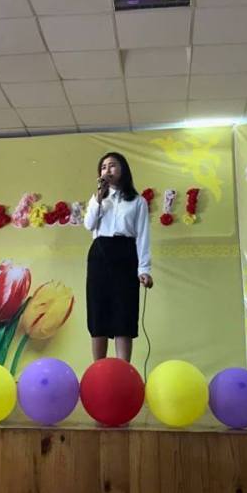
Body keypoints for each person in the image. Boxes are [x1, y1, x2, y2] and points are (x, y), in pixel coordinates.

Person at [83, 152, 153, 363]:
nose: (107, 170)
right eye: (103, 167)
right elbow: (88, 224)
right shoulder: (98, 200)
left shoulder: (138, 201)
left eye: (112, 166)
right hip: (99, 254)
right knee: (98, 313)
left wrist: (144, 269)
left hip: (125, 255)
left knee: (124, 313)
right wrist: (98, 198)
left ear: (123, 169)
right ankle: (98, 370)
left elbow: (143, 236)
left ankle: (123, 371)